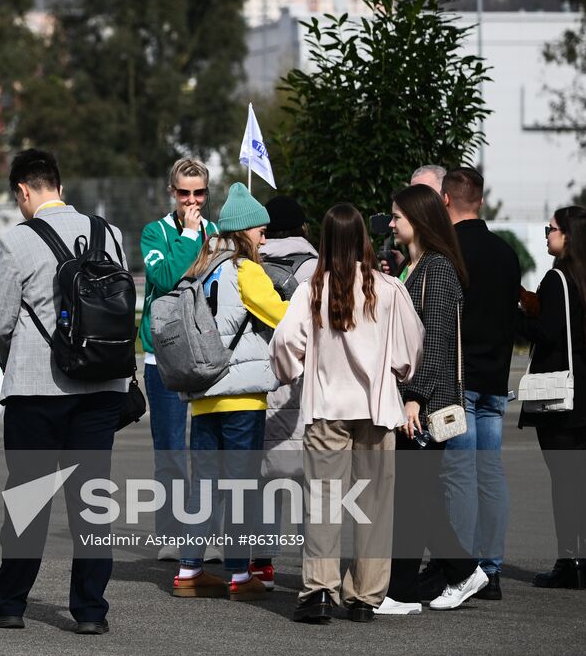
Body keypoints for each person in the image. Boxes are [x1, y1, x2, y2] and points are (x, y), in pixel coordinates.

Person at [0, 149, 129, 636]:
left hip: (38, 389)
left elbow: (2, 322)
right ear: (59, 186)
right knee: (92, 502)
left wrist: (6, 356)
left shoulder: (18, 240)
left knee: (29, 498)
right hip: (102, 385)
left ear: (23, 190)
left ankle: (9, 604)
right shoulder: (110, 234)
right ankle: (90, 611)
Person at [272, 204, 422, 623]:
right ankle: (365, 596)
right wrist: (398, 371)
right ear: (362, 239)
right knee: (375, 503)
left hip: (326, 407)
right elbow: (412, 346)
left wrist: (292, 370)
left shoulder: (312, 288)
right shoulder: (388, 288)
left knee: (323, 501)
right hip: (377, 408)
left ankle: (320, 590)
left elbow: (284, 342)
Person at [170, 183, 286, 602]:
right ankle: (239, 574)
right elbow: (281, 315)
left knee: (204, 485)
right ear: (244, 231)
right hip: (242, 397)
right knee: (241, 485)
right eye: (261, 231)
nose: (264, 239)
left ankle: (189, 570)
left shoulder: (201, 267)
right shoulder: (246, 270)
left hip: (203, 393)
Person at [384, 185, 489, 613]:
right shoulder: (411, 267)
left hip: (425, 403)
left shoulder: (438, 269)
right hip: (410, 400)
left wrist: (414, 398)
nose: (391, 224)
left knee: (415, 497)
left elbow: (438, 341)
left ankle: (433, 580)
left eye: (397, 217)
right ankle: (419, 584)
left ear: (420, 220)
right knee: (414, 497)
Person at [438, 167, 520, 600]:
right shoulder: (506, 253)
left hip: (460, 379)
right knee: (490, 473)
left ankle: (463, 569)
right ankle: (492, 568)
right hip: (496, 377)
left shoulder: (447, 251)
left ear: (445, 200)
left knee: (459, 475)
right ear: (482, 201)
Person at [518, 205, 586, 590]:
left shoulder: (556, 278)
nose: (546, 235)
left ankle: (568, 560)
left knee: (563, 477)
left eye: (551, 229)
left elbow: (546, 332)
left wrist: (517, 316)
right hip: (583, 386)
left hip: (557, 389)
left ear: (568, 235)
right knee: (580, 473)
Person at [139, 157, 218, 560]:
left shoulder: (216, 233)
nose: (192, 200)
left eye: (199, 193)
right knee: (170, 451)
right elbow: (165, 277)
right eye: (184, 192)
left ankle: (208, 536)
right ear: (172, 192)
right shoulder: (155, 232)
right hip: (164, 358)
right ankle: (170, 534)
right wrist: (188, 235)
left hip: (207, 357)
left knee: (209, 452)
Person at [257, 194, 320, 588]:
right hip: (307, 383)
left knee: (266, 478)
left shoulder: (250, 266)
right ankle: (314, 569)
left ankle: (261, 565)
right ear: (303, 228)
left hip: (261, 380)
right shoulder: (316, 268)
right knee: (310, 481)